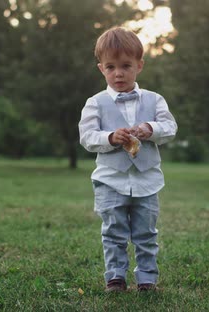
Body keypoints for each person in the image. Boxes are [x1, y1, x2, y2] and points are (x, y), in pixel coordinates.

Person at [78, 27, 177, 292]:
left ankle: (146, 279)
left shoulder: (155, 100)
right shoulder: (95, 103)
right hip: (110, 181)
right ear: (101, 69)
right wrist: (110, 137)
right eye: (111, 67)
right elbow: (87, 137)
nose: (118, 73)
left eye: (125, 66)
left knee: (146, 233)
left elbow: (170, 128)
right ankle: (115, 277)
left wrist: (150, 129)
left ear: (139, 66)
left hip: (147, 181)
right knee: (113, 232)